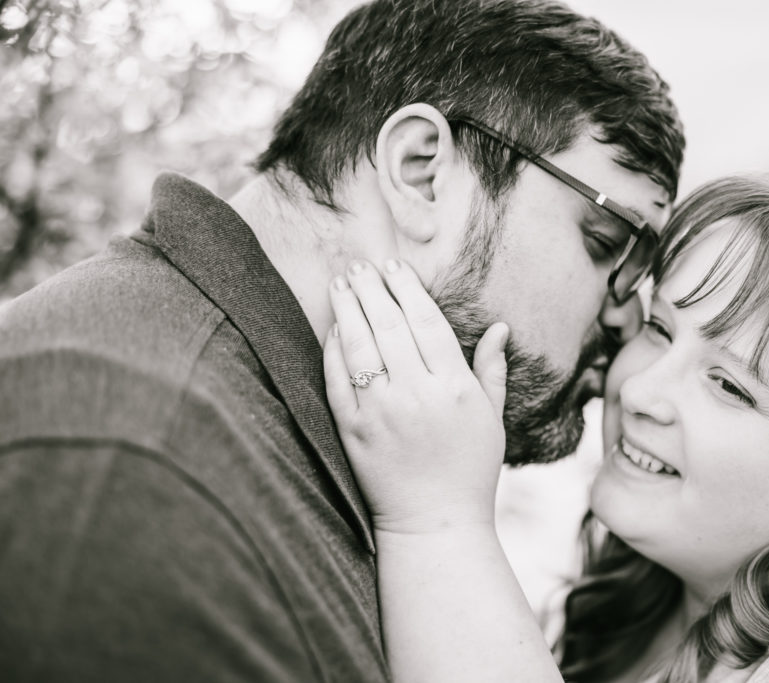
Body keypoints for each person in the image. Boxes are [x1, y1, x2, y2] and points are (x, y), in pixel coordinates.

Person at [0, 1, 684, 680]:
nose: (627, 316)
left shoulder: (298, 447)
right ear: (421, 170)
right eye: (608, 244)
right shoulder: (133, 480)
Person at [323, 173, 769, 682]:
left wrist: (438, 516)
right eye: (660, 328)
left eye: (728, 384)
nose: (641, 389)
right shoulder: (657, 588)